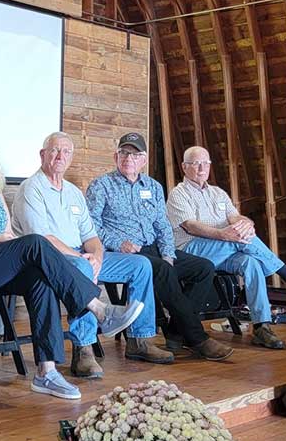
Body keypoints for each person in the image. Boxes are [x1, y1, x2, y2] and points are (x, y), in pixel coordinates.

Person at [0, 123, 143, 400]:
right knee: (36, 242)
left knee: (40, 279)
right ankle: (99, 308)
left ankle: (46, 372)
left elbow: (6, 231)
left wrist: (0, 242)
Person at [11, 132, 173, 379]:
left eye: (66, 152)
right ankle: (83, 349)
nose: (60, 156)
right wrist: (84, 259)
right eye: (54, 150)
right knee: (83, 268)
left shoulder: (74, 192)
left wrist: (96, 255)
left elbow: (91, 235)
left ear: (71, 157)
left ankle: (139, 340)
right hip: (48, 258)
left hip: (81, 254)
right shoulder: (31, 188)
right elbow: (41, 237)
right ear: (43, 155)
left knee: (140, 265)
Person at [85, 132, 234, 361]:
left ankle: (175, 330)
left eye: (135, 155)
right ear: (116, 156)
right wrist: (118, 243)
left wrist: (168, 253)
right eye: (124, 153)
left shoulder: (153, 186)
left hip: (155, 247)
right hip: (126, 253)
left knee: (204, 267)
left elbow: (163, 225)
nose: (129, 159)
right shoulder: (101, 185)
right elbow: (91, 227)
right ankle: (197, 338)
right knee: (163, 271)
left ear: (143, 160)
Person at [167, 145, 286, 349]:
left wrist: (246, 224)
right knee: (240, 240)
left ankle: (262, 326)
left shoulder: (218, 193)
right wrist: (224, 234)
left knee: (251, 262)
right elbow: (190, 225)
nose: (202, 168)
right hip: (191, 251)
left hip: (224, 249)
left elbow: (235, 217)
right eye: (196, 163)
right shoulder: (178, 194)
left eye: (205, 163)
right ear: (184, 167)